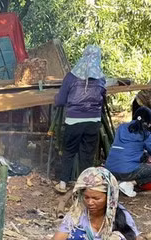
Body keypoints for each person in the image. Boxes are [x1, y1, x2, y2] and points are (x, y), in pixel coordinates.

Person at [46, 167, 144, 240]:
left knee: (116, 238)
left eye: (96, 198)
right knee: (76, 235)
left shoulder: (120, 214)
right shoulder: (76, 214)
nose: (90, 202)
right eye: (86, 197)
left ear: (109, 198)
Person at [53, 45, 107, 193]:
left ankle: (63, 184)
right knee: (87, 154)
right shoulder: (101, 78)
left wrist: (55, 98)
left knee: (69, 151)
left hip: (74, 120)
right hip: (93, 121)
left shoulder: (71, 76)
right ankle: (84, 186)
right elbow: (103, 97)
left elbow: (61, 100)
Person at [104, 107, 151, 193]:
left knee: (139, 156)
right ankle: (129, 183)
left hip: (110, 169)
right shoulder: (145, 133)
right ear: (148, 123)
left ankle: (118, 181)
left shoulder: (121, 127)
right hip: (126, 171)